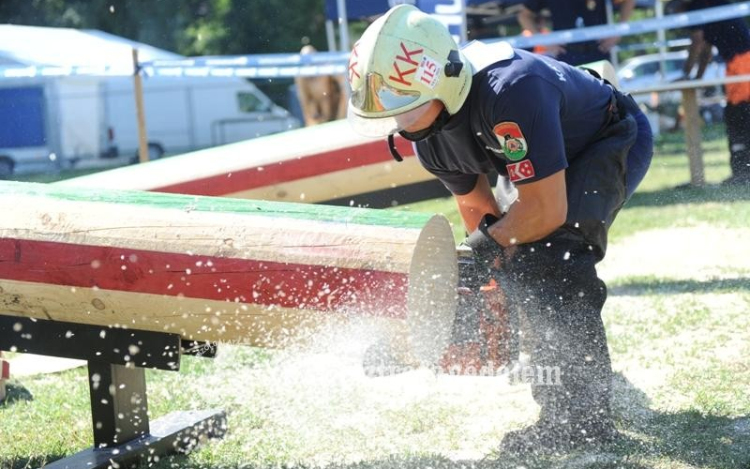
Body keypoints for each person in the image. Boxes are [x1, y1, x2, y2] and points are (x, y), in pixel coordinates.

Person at [346, 5, 653, 455]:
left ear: (442, 79)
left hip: (606, 137)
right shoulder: (428, 135)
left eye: (406, 106)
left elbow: (545, 211)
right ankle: (546, 379)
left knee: (554, 259)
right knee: (517, 267)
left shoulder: (512, 91)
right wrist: (492, 277)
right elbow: (478, 210)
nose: (401, 121)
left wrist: (483, 249)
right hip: (538, 157)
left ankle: (579, 421)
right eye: (394, 111)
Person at [667, 0, 750, 185]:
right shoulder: (706, 7)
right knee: (737, 116)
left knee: (740, 116)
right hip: (737, 63)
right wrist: (695, 79)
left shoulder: (698, 7)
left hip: (743, 63)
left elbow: (697, 43)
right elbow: (706, 51)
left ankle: (744, 174)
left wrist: (686, 74)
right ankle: (741, 172)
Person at [517, 0, 636, 65]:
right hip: (567, 56)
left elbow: (628, 1)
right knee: (573, 107)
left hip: (599, 51)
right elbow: (524, 16)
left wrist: (618, 33)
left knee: (606, 105)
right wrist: (545, 42)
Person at [295, 45, 348, 126]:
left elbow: (345, 88)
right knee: (318, 102)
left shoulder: (328, 70)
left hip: (335, 111)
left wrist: (340, 119)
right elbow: (305, 105)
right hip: (319, 116)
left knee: (329, 97)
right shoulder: (302, 78)